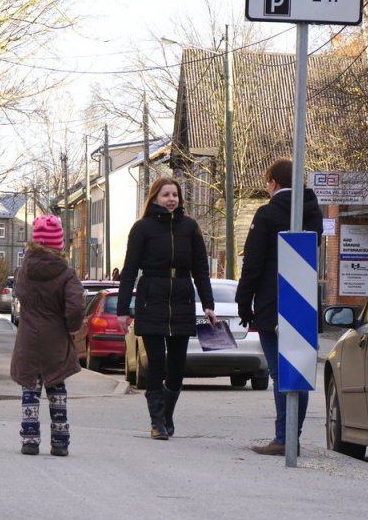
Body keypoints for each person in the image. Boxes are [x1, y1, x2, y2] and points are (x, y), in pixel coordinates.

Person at [116, 177, 217, 440]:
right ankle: (156, 422)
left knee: (176, 367)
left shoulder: (190, 227)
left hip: (182, 300)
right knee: (156, 364)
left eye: (175, 195)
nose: (171, 199)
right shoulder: (143, 228)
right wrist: (123, 308)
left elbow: (201, 271)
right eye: (165, 195)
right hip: (152, 300)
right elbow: (129, 271)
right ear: (155, 198)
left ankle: (167, 415)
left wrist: (208, 305)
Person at [235, 158, 323, 456]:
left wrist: (244, 302)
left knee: (278, 372)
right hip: (304, 303)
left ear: (272, 183)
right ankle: (292, 436)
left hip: (273, 304)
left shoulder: (267, 214)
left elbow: (253, 262)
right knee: (298, 369)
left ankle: (283, 439)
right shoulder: (313, 213)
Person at [11, 215, 85, 456]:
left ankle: (30, 439)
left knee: (30, 388)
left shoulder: (24, 271)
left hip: (29, 338)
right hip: (56, 338)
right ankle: (60, 441)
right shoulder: (66, 274)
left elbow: (20, 294)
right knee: (57, 387)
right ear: (59, 244)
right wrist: (71, 326)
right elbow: (75, 306)